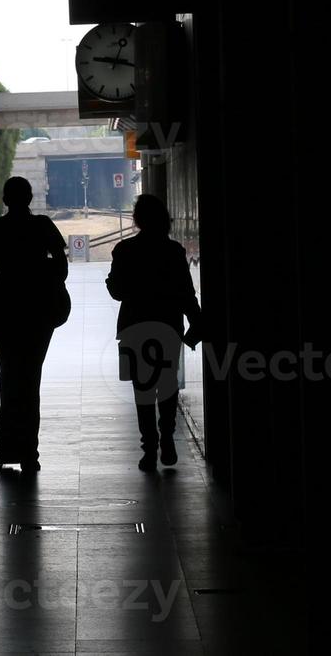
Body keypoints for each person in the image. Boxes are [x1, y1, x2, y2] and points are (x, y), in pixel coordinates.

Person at [0, 177, 68, 471]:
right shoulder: (43, 225)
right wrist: (54, 289)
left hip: (4, 308)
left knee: (9, 377)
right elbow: (61, 262)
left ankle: (7, 449)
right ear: (30, 198)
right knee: (31, 378)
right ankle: (30, 454)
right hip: (37, 309)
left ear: (5, 200)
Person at [104, 193, 203, 472]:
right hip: (167, 326)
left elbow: (117, 291)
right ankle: (168, 436)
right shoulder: (174, 252)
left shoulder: (124, 250)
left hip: (135, 327)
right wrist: (197, 322)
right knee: (167, 384)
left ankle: (149, 448)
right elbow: (187, 292)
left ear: (137, 220)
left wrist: (113, 282)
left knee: (143, 390)